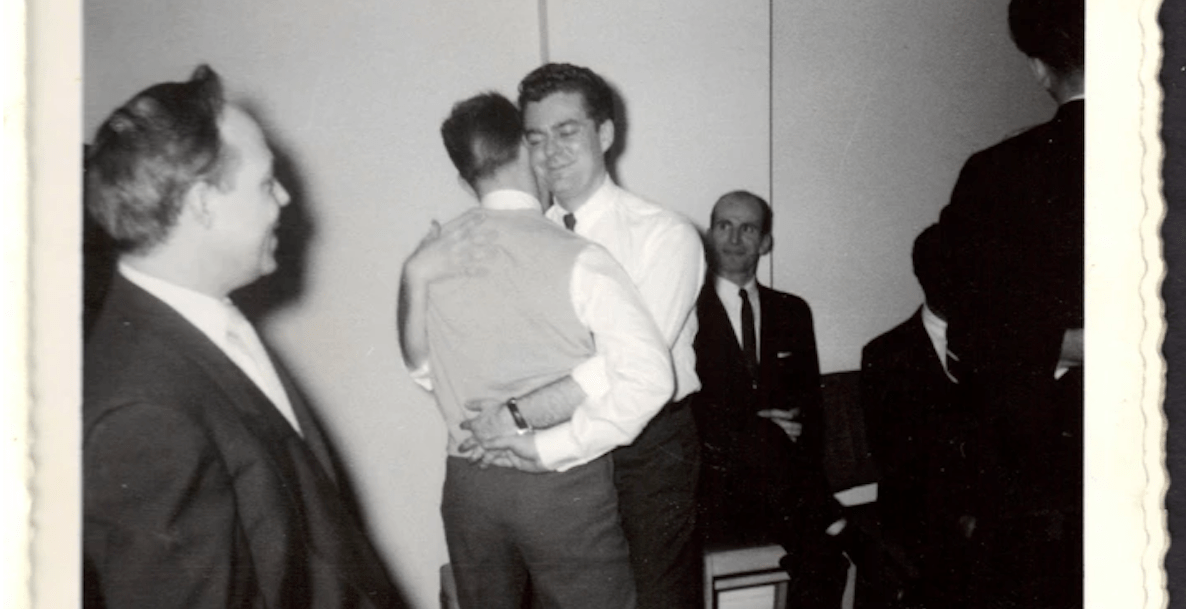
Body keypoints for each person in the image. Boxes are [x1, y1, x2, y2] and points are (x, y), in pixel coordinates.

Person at [82, 65, 402, 608]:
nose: (284, 199)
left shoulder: (201, 325)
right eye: (265, 183)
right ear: (203, 204)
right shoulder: (141, 413)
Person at [397, 92, 675, 609]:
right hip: (561, 486)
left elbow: (422, 370)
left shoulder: (435, 256)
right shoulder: (581, 257)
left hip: (469, 483)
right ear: (527, 149)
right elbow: (651, 377)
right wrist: (555, 446)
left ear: (463, 178)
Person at [462, 63, 707, 609]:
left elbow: (621, 368)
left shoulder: (665, 235)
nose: (551, 152)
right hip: (547, 445)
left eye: (567, 132)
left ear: (606, 133)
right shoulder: (520, 239)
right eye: (536, 138)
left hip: (646, 454)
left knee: (654, 601)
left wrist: (523, 418)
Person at [937, 0, 1084, 606]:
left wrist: (1062, 344)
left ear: (1039, 68)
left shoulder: (996, 172)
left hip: (1042, 473)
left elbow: (967, 334)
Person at [692, 190, 848, 607]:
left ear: (765, 243)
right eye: (724, 226)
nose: (734, 238)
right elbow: (684, 411)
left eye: (747, 229)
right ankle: (833, 522)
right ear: (709, 235)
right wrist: (756, 426)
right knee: (822, 549)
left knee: (823, 563)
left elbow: (812, 415)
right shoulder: (686, 309)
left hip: (784, 487)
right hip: (714, 485)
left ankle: (826, 525)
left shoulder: (792, 312)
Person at [859, 224, 976, 607]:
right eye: (945, 270)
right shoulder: (885, 354)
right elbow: (896, 460)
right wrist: (958, 515)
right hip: (920, 511)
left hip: (987, 505)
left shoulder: (1001, 347)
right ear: (922, 275)